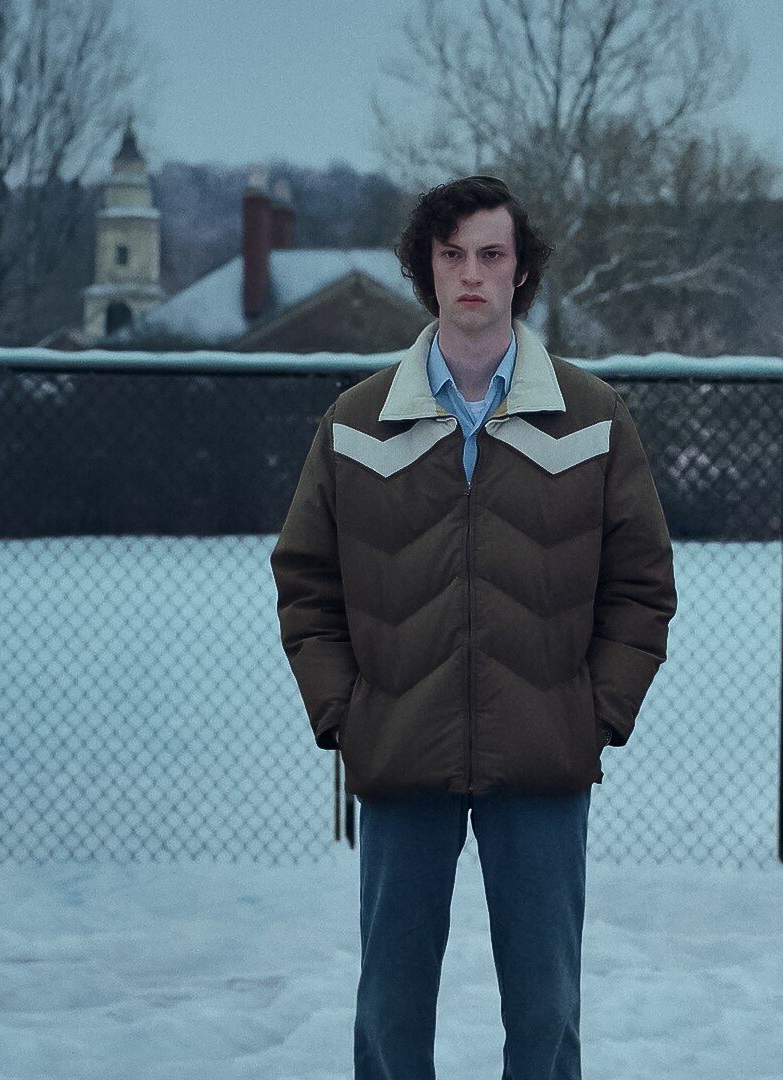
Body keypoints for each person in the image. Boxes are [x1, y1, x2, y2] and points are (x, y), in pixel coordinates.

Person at [271, 175, 677, 1080]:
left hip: (541, 759)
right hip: (398, 750)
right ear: (425, 267)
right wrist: (348, 713)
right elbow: (305, 583)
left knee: (546, 1014)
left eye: (491, 254)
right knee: (390, 1013)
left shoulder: (592, 416)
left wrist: (592, 711)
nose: (471, 275)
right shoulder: (355, 421)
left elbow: (643, 586)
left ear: (520, 269)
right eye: (451, 254)